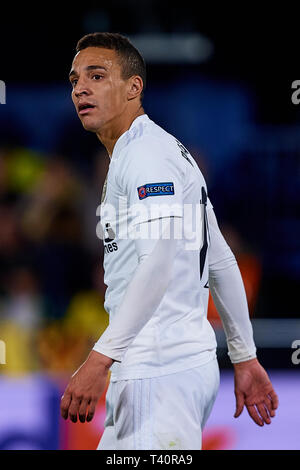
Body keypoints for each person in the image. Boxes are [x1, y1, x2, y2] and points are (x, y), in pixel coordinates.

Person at [60, 32, 279, 450]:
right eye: (74, 80)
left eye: (97, 75)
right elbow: (220, 261)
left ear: (133, 87)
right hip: (173, 367)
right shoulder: (163, 152)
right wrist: (244, 356)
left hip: (157, 368)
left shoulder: (146, 157)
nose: (80, 88)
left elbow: (156, 265)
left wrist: (98, 360)